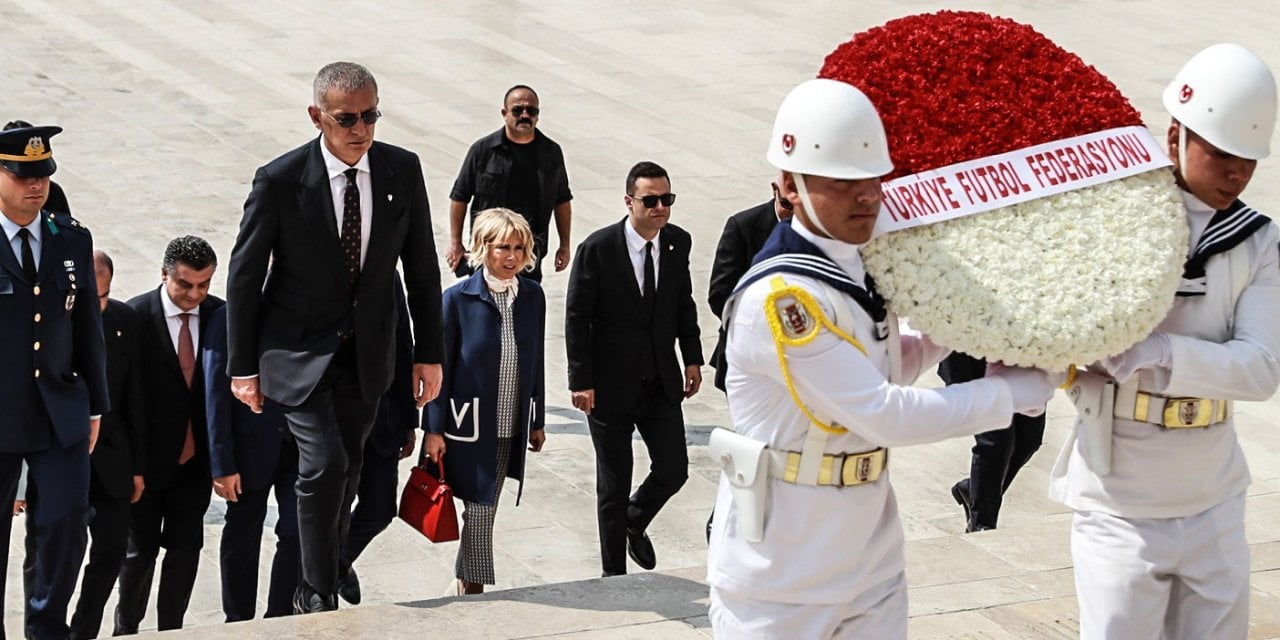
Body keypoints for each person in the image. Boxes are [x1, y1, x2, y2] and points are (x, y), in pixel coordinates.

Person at [705, 79, 1058, 639]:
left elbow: (889, 366)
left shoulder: (860, 271)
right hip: (784, 568)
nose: (867, 196)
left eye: (873, 178)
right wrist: (1011, 393)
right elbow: (879, 410)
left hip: (870, 552)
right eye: (843, 182)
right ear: (788, 187)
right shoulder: (780, 299)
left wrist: (962, 325)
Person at [1050, 43, 1280, 639]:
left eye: (1249, 160)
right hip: (1119, 498)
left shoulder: (1257, 242)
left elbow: (1261, 369)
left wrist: (1159, 354)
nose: (1237, 173)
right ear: (1175, 133)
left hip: (1214, 496)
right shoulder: (1106, 216)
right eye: (1223, 153)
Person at [226, 61, 444, 614]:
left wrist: (429, 356)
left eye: (370, 115)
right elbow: (245, 277)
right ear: (316, 116)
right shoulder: (278, 180)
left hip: (369, 355)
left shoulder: (401, 170)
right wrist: (242, 366)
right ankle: (317, 590)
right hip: (295, 353)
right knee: (323, 464)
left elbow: (421, 269)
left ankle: (311, 575)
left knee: (347, 473)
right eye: (346, 117)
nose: (360, 128)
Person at [566, 161, 703, 577]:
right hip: (609, 387)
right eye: (651, 200)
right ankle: (613, 576)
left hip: (661, 381)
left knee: (674, 469)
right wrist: (581, 381)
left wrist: (692, 357)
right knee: (614, 484)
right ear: (629, 202)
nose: (660, 207)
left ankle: (633, 519)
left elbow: (684, 303)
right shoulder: (598, 249)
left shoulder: (678, 243)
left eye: (667, 199)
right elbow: (576, 317)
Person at [0, 124, 108, 640]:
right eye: (22, 175)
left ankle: (46, 626)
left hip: (59, 408)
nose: (35, 185)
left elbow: (86, 325)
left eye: (42, 173)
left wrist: (95, 406)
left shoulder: (71, 237)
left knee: (66, 520)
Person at [425, 208, 547, 595]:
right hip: (467, 428)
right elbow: (436, 372)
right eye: (501, 248)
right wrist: (433, 429)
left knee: (484, 509)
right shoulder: (456, 300)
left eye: (518, 248)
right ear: (481, 248)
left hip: (510, 424)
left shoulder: (532, 296)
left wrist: (537, 419)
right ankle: (472, 589)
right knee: (478, 509)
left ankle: (464, 583)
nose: (511, 257)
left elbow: (536, 360)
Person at [115, 235, 223, 634]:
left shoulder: (219, 316)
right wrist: (129, 467)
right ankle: (126, 628)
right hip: (145, 466)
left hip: (193, 465)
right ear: (164, 275)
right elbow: (122, 401)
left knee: (185, 552)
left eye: (204, 285)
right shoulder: (133, 318)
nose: (194, 294)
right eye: (184, 284)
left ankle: (172, 630)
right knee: (138, 555)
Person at [65, 250, 147, 639]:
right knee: (55, 557)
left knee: (112, 552)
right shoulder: (49, 324)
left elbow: (135, 397)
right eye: (88, 297)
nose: (96, 307)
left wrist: (137, 468)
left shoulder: (123, 321)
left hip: (113, 464)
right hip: (60, 465)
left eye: (103, 296)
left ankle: (83, 631)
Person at [203, 303, 300, 622]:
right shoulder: (229, 317)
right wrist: (222, 464)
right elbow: (215, 391)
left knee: (298, 530)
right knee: (242, 535)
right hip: (248, 450)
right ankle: (238, 620)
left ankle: (280, 616)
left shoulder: (310, 304)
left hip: (299, 444)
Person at [336, 275, 416, 606]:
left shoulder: (388, 277)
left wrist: (409, 419)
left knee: (381, 508)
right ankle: (321, 579)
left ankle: (338, 563)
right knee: (331, 510)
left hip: (382, 417)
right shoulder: (314, 264)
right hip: (332, 418)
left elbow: (403, 345)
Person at [447, 85, 573, 282]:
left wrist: (564, 245)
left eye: (531, 111)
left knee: (527, 307)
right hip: (488, 252)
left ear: (537, 116)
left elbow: (562, 200)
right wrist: (456, 243)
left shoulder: (551, 153)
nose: (525, 115)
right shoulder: (482, 150)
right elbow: (460, 196)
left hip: (529, 253)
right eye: (517, 110)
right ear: (505, 113)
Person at [942, 352, 1046, 532]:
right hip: (971, 353)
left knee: (1029, 438)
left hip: (1021, 354)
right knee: (996, 441)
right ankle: (981, 523)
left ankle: (973, 489)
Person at [708, 183, 793, 392]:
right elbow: (720, 294)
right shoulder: (742, 226)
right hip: (749, 352)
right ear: (774, 189)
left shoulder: (816, 227)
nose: (794, 214)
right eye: (786, 205)